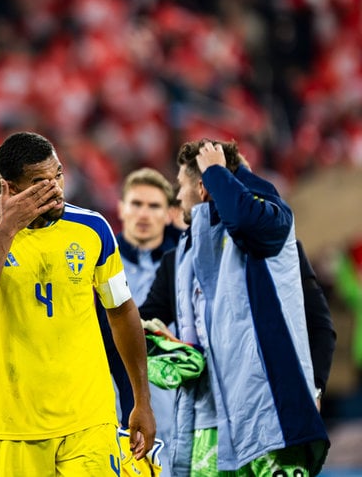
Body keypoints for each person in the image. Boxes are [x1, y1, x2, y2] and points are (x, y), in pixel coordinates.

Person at [0, 132, 155, 475]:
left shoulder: (92, 229)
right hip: (15, 426)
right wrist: (7, 230)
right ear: (11, 188)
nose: (56, 188)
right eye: (40, 182)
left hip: (89, 420)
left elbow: (121, 312)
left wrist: (141, 401)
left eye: (58, 175)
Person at [141, 139, 329, 475]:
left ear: (202, 188)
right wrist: (165, 347)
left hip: (268, 421)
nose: (176, 196)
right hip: (207, 424)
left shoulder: (271, 232)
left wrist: (218, 169)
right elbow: (148, 319)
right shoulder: (184, 255)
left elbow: (319, 323)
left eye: (181, 186)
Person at [102, 167, 180, 477]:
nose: (143, 214)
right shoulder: (99, 263)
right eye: (136, 204)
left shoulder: (186, 263)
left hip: (174, 404)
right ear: (121, 208)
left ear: (170, 213)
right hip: (113, 404)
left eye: (154, 206)